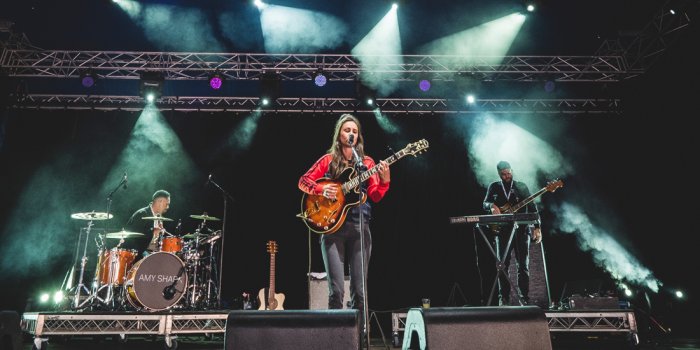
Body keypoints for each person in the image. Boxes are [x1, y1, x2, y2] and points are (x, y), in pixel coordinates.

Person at [298, 114, 390, 313]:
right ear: (339, 134)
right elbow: (303, 181)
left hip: (360, 227)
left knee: (360, 290)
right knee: (336, 291)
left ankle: (358, 337)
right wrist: (321, 190)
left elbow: (375, 196)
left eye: (355, 131)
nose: (351, 134)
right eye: (347, 130)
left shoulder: (366, 162)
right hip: (332, 228)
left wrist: (384, 181)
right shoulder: (328, 159)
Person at [482, 161, 542, 305]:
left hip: (521, 231)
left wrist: (537, 227)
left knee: (523, 266)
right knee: (502, 265)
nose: (507, 176)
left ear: (512, 171)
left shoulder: (521, 186)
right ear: (499, 173)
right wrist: (491, 206)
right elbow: (484, 203)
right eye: (503, 174)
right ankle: (505, 300)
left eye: (509, 173)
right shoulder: (494, 187)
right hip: (502, 231)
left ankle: (524, 299)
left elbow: (533, 206)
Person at [124, 189, 172, 255]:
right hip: (140, 252)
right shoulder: (142, 214)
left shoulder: (159, 217)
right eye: (166, 204)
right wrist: (153, 231)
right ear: (159, 201)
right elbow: (134, 237)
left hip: (153, 252)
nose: (167, 207)